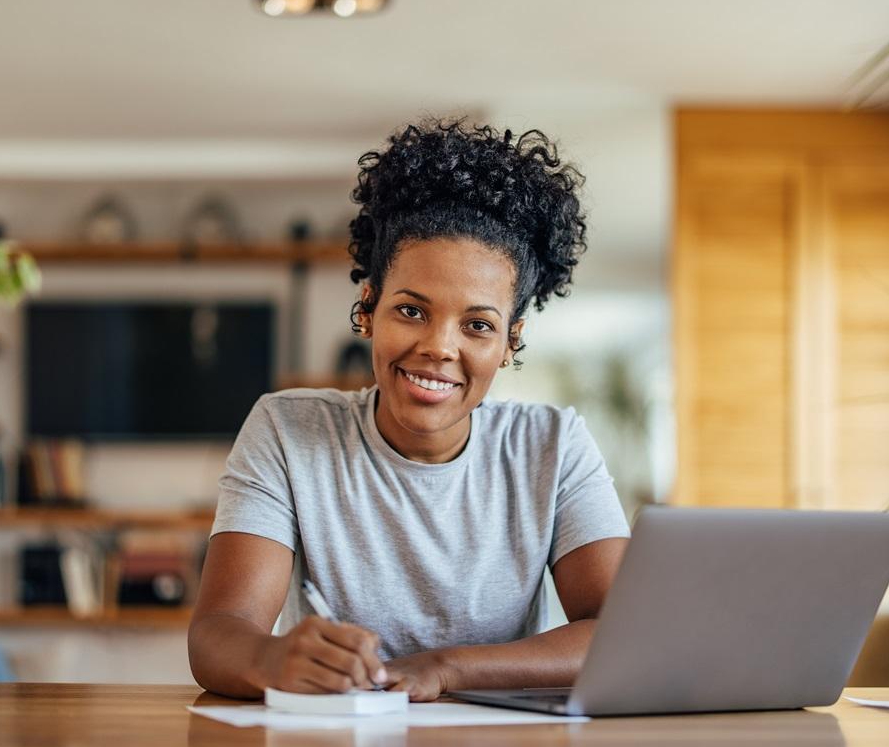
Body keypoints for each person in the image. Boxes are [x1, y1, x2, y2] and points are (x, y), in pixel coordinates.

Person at [188, 119, 630, 701]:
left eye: (477, 325)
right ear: (368, 306)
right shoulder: (287, 430)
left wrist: (446, 668)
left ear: (510, 342)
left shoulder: (554, 445)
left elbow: (619, 635)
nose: (440, 348)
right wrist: (272, 657)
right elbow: (218, 634)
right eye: (412, 311)